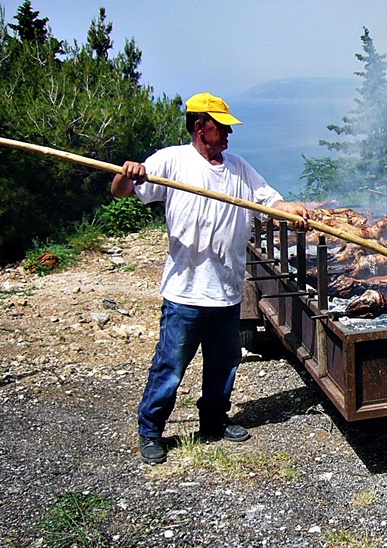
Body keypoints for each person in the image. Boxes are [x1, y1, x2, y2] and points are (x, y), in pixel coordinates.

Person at [111, 92, 308, 464]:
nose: (229, 135)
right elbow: (122, 192)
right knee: (170, 366)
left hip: (227, 289)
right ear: (201, 127)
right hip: (185, 291)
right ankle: (151, 430)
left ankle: (215, 421)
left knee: (224, 364)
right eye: (223, 127)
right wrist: (126, 174)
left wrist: (290, 209)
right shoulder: (171, 161)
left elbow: (269, 200)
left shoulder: (238, 167)